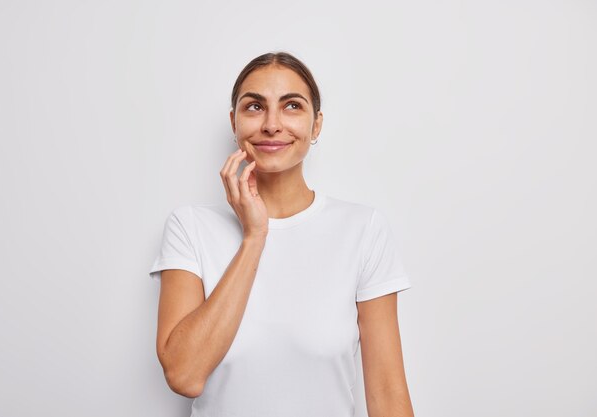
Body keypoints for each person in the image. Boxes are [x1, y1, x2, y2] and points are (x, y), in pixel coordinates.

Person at [149, 51, 415, 417]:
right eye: (254, 107)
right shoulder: (190, 227)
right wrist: (254, 237)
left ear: (316, 125)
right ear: (234, 122)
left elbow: (387, 393)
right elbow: (184, 375)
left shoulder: (362, 229)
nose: (272, 124)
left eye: (292, 106)